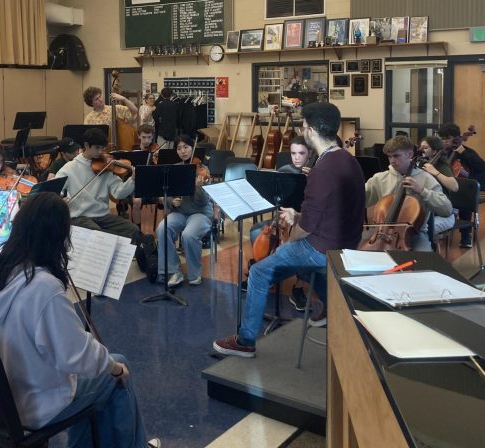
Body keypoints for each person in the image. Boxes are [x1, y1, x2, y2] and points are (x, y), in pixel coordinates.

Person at [0, 192, 160, 448]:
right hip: (38, 402)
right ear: (56, 236)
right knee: (115, 371)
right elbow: (75, 357)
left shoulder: (2, 271)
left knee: (100, 381)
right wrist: (114, 368)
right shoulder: (43, 288)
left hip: (10, 393)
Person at [213, 102, 366, 358]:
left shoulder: (322, 170)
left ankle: (245, 341)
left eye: (305, 126)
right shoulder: (349, 161)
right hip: (345, 242)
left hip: (321, 247)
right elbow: (331, 209)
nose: (303, 130)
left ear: (313, 130)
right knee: (301, 267)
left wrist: (291, 231)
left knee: (260, 272)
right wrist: (298, 215)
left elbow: (304, 231)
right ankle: (329, 308)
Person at [248, 136, 314, 309]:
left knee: (300, 243)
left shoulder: (316, 173)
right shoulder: (284, 170)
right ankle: (267, 275)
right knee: (256, 232)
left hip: (304, 219)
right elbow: (274, 200)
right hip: (283, 217)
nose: (297, 157)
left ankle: (298, 288)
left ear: (310, 154)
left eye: (301, 153)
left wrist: (312, 180)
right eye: (293, 153)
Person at [365, 135, 453, 251]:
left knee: (423, 261)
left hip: (415, 234)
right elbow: (359, 199)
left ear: (410, 155)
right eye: (389, 156)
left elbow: (447, 210)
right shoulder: (380, 178)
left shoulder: (426, 178)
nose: (392, 161)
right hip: (381, 232)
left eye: (396, 156)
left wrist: (422, 191)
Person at [56, 128, 140, 239]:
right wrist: (60, 200)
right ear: (86, 145)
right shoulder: (69, 168)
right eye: (97, 148)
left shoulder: (106, 166)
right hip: (80, 217)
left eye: (102, 148)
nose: (100, 152)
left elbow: (118, 193)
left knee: (132, 230)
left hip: (102, 216)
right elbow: (55, 189)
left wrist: (132, 180)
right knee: (99, 235)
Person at [156, 135, 212, 287]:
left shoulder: (202, 170)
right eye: (179, 148)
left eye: (186, 147)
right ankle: (174, 271)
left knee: (188, 235)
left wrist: (199, 188)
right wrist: (171, 201)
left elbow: (203, 202)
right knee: (162, 228)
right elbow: (166, 194)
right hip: (180, 212)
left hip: (200, 214)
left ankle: (194, 274)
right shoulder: (175, 168)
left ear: (192, 148)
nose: (183, 151)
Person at [438, 123, 485, 248]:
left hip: (464, 191)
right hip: (446, 189)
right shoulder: (442, 153)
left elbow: (482, 167)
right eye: (442, 139)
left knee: (463, 197)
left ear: (456, 138)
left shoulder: (467, 152)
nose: (445, 142)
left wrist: (461, 150)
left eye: (447, 138)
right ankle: (438, 228)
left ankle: (466, 234)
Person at [131, 124, 159, 230]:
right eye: (144, 137)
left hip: (153, 186)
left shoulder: (156, 151)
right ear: (139, 136)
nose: (147, 141)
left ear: (152, 137)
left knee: (166, 199)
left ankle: (165, 230)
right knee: (137, 202)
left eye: (149, 137)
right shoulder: (134, 152)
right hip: (138, 185)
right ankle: (137, 231)